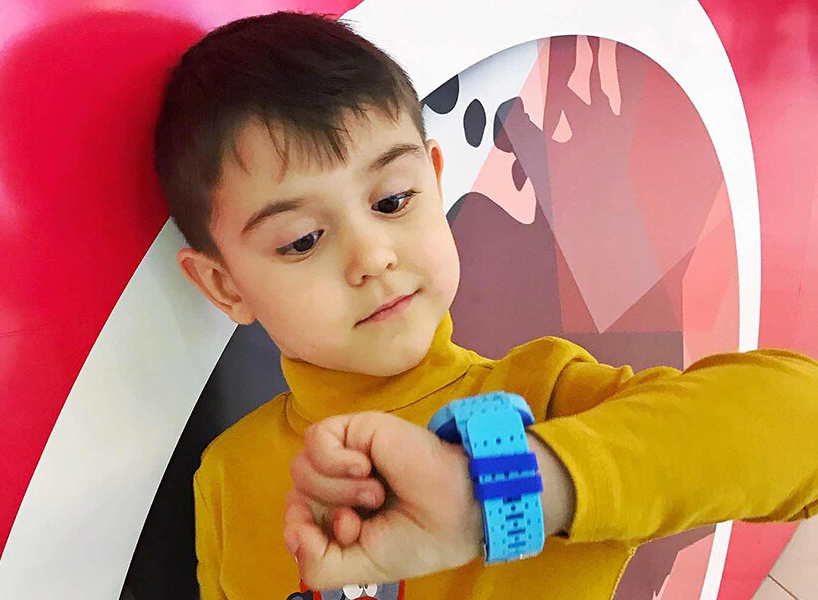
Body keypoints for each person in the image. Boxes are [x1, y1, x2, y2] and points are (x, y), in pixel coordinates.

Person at [153, 11, 818, 599]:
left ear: (435, 182)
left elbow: (802, 424)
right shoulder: (226, 478)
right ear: (224, 287)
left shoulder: (541, 398)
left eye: (392, 201)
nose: (373, 257)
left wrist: (497, 495)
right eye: (302, 239)